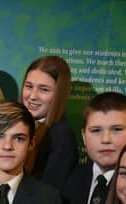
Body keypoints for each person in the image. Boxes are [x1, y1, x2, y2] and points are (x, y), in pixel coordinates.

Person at [20, 55, 78, 192]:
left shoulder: (60, 136)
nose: (33, 96)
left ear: (59, 94)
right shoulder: (22, 126)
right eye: (29, 86)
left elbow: (50, 193)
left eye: (44, 89)